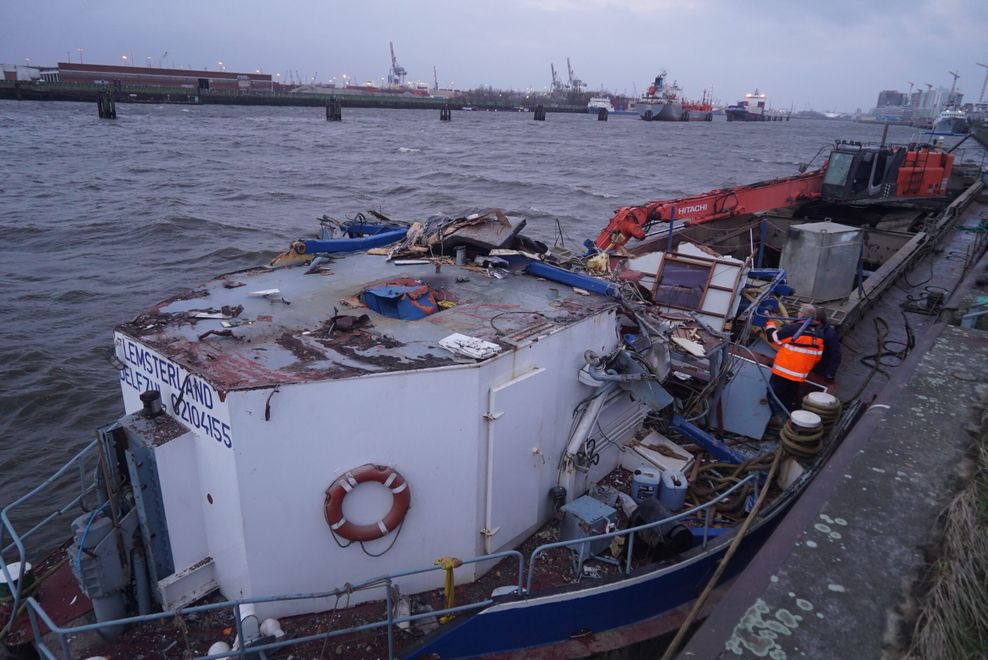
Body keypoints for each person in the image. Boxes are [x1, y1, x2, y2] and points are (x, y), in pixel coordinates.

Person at [765, 304, 826, 414]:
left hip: (783, 372)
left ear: (802, 314)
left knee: (773, 394)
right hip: (799, 375)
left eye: (799, 312)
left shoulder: (793, 329)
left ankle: (778, 417)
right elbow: (817, 357)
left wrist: (769, 321)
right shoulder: (819, 335)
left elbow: (772, 338)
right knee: (789, 397)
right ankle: (792, 417)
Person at [812, 308, 842, 390]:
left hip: (821, 369)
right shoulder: (816, 329)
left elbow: (836, 355)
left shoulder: (829, 335)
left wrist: (830, 374)